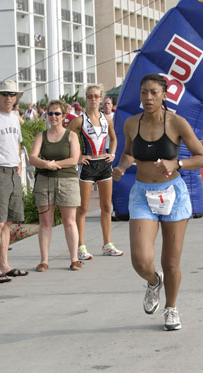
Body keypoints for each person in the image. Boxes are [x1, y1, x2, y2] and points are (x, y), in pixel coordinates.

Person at [113, 73, 203, 331]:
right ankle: (154, 282)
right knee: (141, 261)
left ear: (164, 94)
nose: (148, 97)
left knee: (171, 262)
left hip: (173, 195)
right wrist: (121, 167)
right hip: (143, 194)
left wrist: (176, 162)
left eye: (154, 92)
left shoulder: (177, 123)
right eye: (144, 92)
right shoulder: (131, 124)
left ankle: (171, 308)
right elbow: (129, 153)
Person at [68, 84, 123, 260]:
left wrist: (112, 154)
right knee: (83, 208)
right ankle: (80, 246)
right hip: (87, 165)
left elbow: (114, 139)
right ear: (86, 98)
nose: (93, 99)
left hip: (104, 164)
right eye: (90, 96)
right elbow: (66, 138)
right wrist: (77, 158)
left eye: (96, 96)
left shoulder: (108, 119)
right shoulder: (79, 120)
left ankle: (107, 244)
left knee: (106, 207)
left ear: (101, 99)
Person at [29, 100, 82, 272]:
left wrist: (54, 163)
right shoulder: (41, 136)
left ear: (63, 116)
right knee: (45, 222)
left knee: (69, 221)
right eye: (50, 113)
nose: (53, 117)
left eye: (57, 113)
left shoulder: (71, 136)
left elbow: (74, 159)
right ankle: (44, 260)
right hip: (45, 181)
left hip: (67, 181)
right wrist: (46, 165)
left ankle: (74, 258)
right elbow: (33, 157)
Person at [0, 80, 29, 283]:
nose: (9, 98)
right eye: (4, 94)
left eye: (12, 94)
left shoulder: (14, 119)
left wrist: (18, 163)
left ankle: (4, 264)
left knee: (8, 221)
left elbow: (18, 143)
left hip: (12, 171)